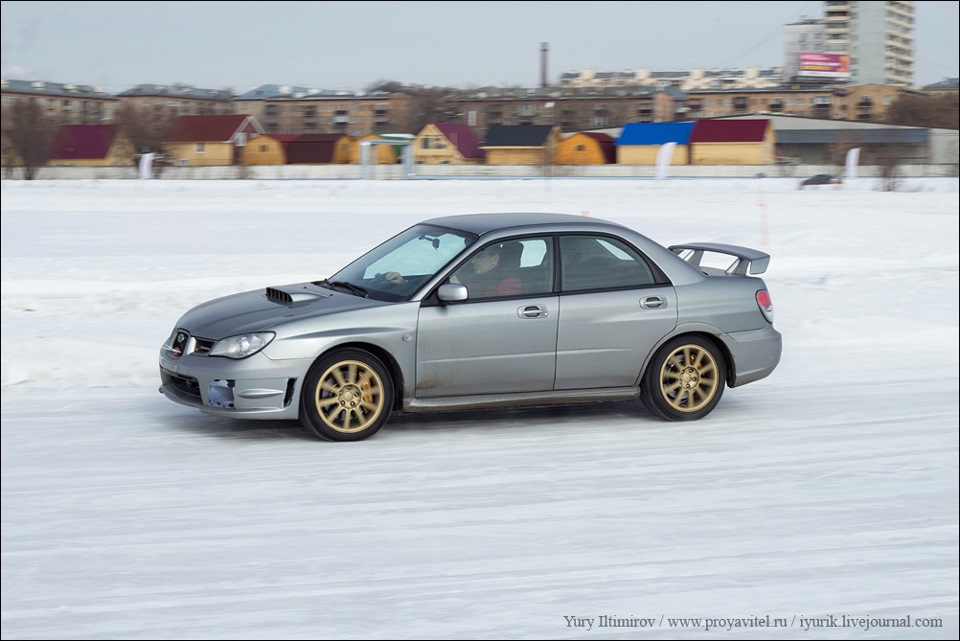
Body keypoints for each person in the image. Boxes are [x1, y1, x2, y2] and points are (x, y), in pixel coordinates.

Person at [448, 243, 523, 298]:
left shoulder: (509, 284)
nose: (473, 261)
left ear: (494, 259)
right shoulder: (483, 278)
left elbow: (503, 310)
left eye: (479, 256)